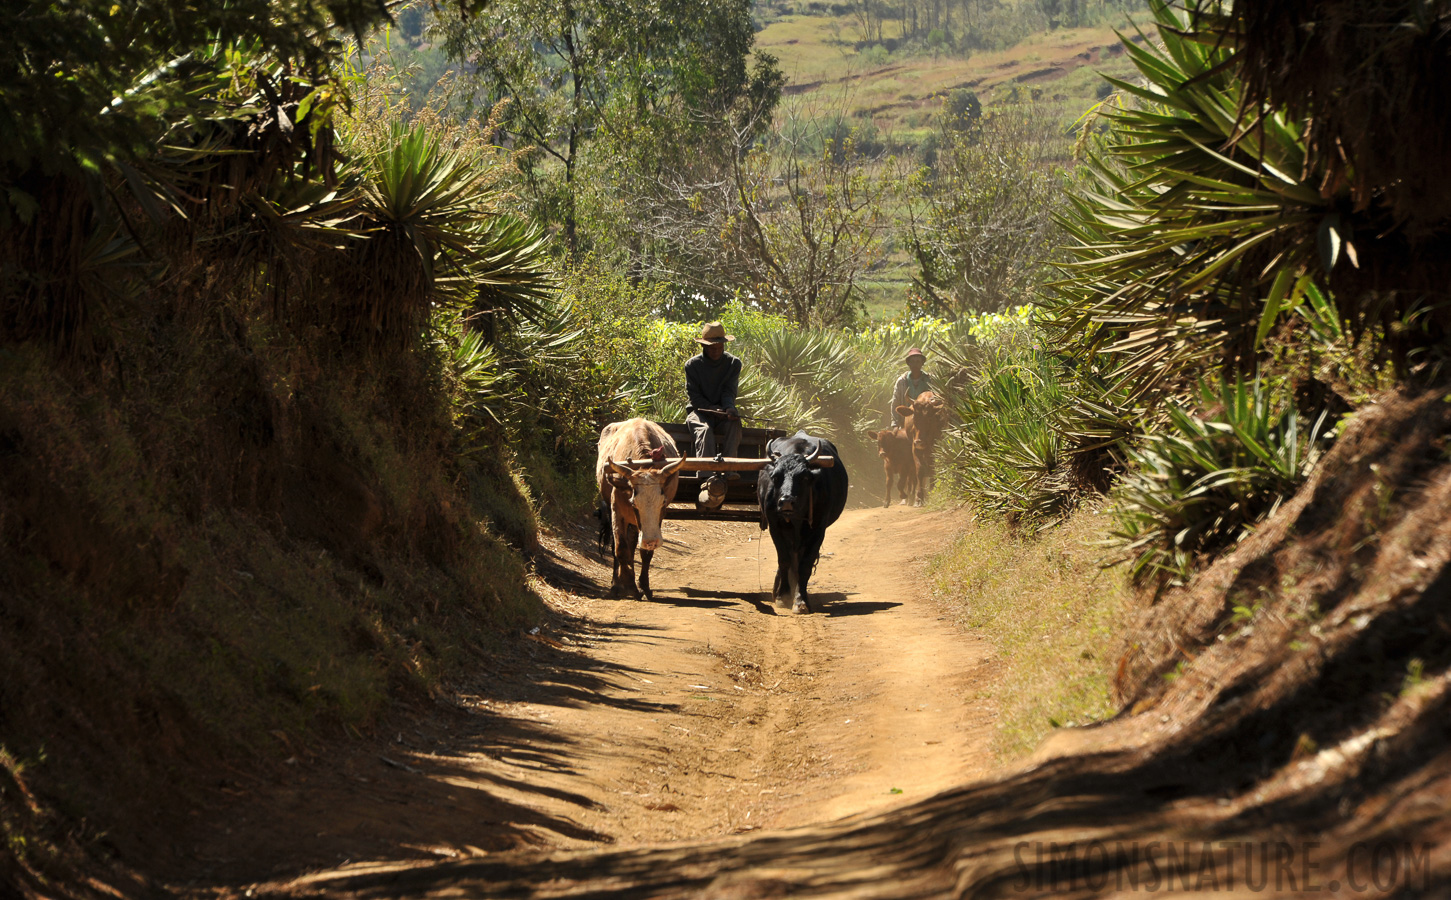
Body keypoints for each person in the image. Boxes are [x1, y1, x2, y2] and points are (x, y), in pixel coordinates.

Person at [685, 322, 743, 460]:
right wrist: (710, 408)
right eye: (712, 348)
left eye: (720, 347)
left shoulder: (733, 363)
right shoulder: (692, 365)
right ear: (703, 346)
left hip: (722, 414)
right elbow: (694, 396)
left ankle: (729, 470)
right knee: (704, 431)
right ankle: (707, 475)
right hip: (699, 412)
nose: (716, 351)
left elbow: (729, 390)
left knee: (735, 425)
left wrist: (728, 408)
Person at [890, 347, 934, 428]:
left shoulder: (930, 380)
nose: (915, 365)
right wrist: (895, 424)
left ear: (922, 363)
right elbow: (895, 404)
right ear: (908, 364)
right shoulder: (902, 381)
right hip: (906, 423)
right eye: (912, 362)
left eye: (918, 362)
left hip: (927, 424)